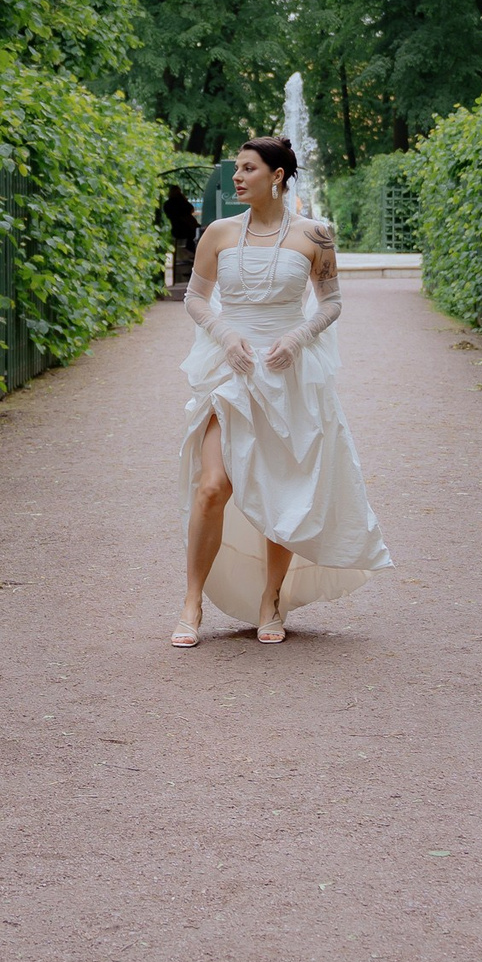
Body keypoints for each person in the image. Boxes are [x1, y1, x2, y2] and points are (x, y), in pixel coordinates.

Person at [175, 135, 390, 646]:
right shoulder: (220, 233)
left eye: (248, 169)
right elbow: (195, 298)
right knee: (212, 487)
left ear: (277, 176)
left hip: (290, 374)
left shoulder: (316, 235)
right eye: (237, 170)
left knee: (282, 492)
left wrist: (299, 336)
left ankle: (271, 599)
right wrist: (226, 335)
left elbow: (332, 302)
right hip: (232, 371)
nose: (238, 178)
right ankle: (191, 600)